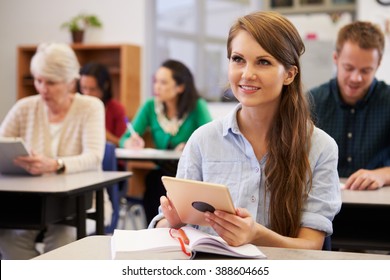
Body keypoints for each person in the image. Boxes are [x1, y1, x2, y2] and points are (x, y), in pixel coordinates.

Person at [150, 11, 341, 250]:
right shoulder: (203, 140)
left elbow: (311, 246)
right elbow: (164, 225)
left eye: (263, 62)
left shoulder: (320, 147)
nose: (247, 74)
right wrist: (173, 222)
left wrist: (256, 235)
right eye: (238, 59)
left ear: (289, 74)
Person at [0, 43, 110, 259]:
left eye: (51, 82)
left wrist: (56, 164)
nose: (42, 88)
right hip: (31, 203)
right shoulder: (24, 107)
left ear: (71, 81)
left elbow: (95, 155)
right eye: (38, 80)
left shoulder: (91, 107)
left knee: (62, 243)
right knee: (9, 239)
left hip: (80, 203)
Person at [119, 59, 212, 224]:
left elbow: (211, 140)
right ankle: (155, 229)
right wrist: (131, 142)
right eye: (155, 81)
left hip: (191, 176)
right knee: (154, 180)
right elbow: (125, 138)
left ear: (180, 87)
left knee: (168, 184)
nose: (156, 87)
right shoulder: (150, 106)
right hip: (162, 174)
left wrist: (191, 145)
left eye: (163, 82)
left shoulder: (197, 106)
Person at [309, 21, 390, 190]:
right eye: (349, 68)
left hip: (378, 204)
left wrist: (382, 175)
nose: (356, 78)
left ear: (378, 65)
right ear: (336, 59)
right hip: (321, 202)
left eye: (365, 71)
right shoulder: (311, 102)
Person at [79, 62, 127, 147]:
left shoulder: (116, 109)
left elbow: (123, 143)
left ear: (105, 86)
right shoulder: (76, 106)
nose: (87, 94)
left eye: (93, 89)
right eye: (84, 88)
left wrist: (102, 134)